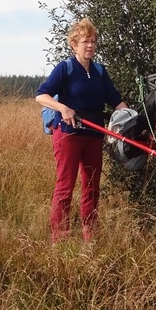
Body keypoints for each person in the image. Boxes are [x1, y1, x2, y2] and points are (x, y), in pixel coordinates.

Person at [36, 18, 128, 243]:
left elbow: (116, 100)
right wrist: (63, 107)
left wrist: (129, 118)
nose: (90, 45)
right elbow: (41, 95)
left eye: (93, 41)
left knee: (92, 186)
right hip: (68, 133)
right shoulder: (65, 68)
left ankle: (90, 237)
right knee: (65, 186)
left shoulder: (99, 71)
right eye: (85, 41)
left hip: (94, 134)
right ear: (74, 44)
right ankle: (60, 239)